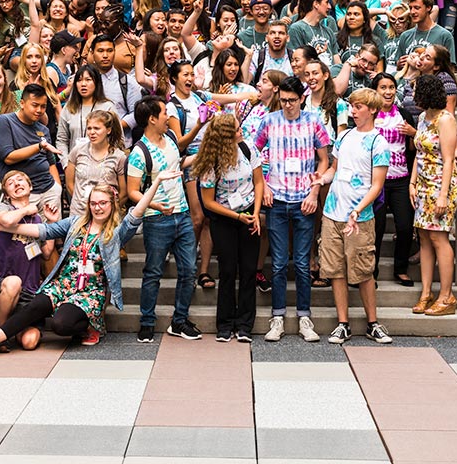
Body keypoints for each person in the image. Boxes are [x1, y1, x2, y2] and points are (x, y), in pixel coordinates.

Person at [0, 171, 175, 357]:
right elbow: (44, 232)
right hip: (63, 284)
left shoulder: (116, 233)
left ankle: (92, 325)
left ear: (111, 204)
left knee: (61, 324)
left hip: (90, 292)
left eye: (103, 203)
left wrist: (156, 181)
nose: (98, 207)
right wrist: (3, 228)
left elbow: (136, 213)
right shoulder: (75, 223)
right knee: (34, 307)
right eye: (94, 203)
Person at [253, 76, 331, 342]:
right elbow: (253, 154)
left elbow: (324, 159)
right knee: (276, 263)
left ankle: (304, 317)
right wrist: (263, 185)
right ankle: (277, 318)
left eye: (292, 100)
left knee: (301, 262)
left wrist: (315, 190)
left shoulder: (314, 121)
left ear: (302, 98)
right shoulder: (269, 120)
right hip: (276, 199)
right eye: (283, 100)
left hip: (304, 199)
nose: (287, 105)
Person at [315, 88, 392, 344]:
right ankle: (342, 323)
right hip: (332, 214)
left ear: (371, 109)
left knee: (363, 270)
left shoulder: (378, 142)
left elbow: (377, 185)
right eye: (352, 106)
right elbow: (334, 170)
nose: (353, 110)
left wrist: (358, 210)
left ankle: (372, 322)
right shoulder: (344, 136)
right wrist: (321, 178)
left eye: (358, 107)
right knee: (336, 270)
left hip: (359, 218)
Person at [127, 96, 202, 342]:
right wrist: (156, 204)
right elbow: (132, 191)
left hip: (182, 215)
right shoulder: (138, 152)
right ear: (151, 119)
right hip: (156, 219)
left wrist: (200, 153)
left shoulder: (169, 139)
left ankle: (179, 320)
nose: (168, 118)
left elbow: (177, 163)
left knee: (189, 269)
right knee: (153, 272)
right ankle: (146, 322)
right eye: (163, 114)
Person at [195, 113, 264, 343]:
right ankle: (224, 324)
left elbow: (258, 181)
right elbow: (208, 202)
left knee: (248, 270)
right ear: (225, 136)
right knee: (227, 271)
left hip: (248, 214)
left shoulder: (247, 149)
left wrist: (254, 214)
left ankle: (245, 325)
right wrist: (237, 216)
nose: (240, 131)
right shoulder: (211, 161)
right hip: (224, 219)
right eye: (236, 129)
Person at [409, 74, 457, 318]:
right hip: (422, 182)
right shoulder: (422, 117)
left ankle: (446, 295)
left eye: (416, 90)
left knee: (439, 237)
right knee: (424, 237)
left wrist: (442, 195)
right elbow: (419, 153)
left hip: (441, 184)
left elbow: (449, 158)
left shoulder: (445, 119)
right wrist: (412, 183)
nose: (412, 95)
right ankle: (426, 292)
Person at [0, 171, 54, 352]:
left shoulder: (38, 219)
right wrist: (26, 209)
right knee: (14, 282)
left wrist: (51, 224)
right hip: (5, 287)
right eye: (10, 183)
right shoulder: (2, 208)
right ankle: (1, 335)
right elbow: (6, 221)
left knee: (29, 342)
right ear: (7, 193)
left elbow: (47, 253)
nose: (16, 183)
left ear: (30, 186)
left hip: (30, 293)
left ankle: (14, 329)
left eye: (20, 180)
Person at [373, 73, 417, 286]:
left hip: (401, 178)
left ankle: (400, 269)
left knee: (405, 226)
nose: (388, 92)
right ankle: (370, 271)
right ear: (375, 90)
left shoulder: (404, 114)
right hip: (376, 180)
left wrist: (412, 133)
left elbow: (416, 147)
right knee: (376, 228)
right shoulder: (369, 114)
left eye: (391, 87)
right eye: (383, 87)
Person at [0, 84, 64, 213]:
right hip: (21, 194)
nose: (39, 110)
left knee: (52, 232)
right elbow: (8, 157)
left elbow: (51, 162)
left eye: (43, 106)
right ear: (22, 103)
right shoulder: (4, 122)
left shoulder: (43, 130)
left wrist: (58, 188)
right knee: (24, 232)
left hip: (49, 191)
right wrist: (39, 146)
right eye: (35, 105)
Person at [65, 110, 127, 216]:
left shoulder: (119, 157)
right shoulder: (78, 151)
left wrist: (109, 211)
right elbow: (70, 184)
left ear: (108, 130)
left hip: (106, 215)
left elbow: (124, 193)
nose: (92, 132)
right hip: (79, 213)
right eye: (89, 128)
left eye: (97, 128)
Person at [394, 0, 454, 69]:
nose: (412, 12)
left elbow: (450, 68)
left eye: (417, 8)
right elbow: (397, 67)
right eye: (410, 8)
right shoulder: (405, 35)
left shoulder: (444, 35)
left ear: (428, 8)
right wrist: (399, 64)